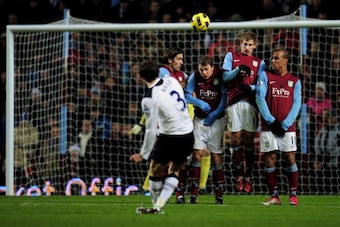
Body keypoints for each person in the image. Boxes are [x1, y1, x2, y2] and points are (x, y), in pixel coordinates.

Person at [132, 59, 193, 214]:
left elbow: (151, 130)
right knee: (175, 170)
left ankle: (155, 207)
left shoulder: (149, 98)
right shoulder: (172, 80)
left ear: (141, 77)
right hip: (187, 132)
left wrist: (143, 154)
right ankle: (158, 207)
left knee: (154, 170)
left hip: (170, 135)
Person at [255, 48, 302, 206]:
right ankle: (274, 196)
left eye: (276, 58)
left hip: (287, 128)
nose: (272, 61)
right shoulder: (265, 76)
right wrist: (271, 121)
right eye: (272, 58)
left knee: (290, 157)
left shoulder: (295, 81)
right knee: (270, 158)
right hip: (269, 127)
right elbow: (259, 97)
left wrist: (285, 124)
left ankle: (293, 195)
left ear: (285, 61)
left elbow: (297, 104)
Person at [222, 31, 266, 193]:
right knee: (235, 140)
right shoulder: (231, 57)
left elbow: (262, 86)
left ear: (255, 45)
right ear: (240, 43)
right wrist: (237, 71)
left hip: (251, 104)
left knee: (248, 141)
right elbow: (225, 77)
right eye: (244, 44)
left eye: (250, 45)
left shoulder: (259, 63)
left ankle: (248, 177)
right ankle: (238, 176)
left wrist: (250, 87)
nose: (247, 47)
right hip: (234, 102)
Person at [183, 56, 227, 204]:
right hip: (199, 121)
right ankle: (194, 194)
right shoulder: (194, 76)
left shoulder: (220, 76)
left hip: (217, 121)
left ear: (212, 68)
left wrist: (214, 114)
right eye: (201, 69)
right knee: (197, 155)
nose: (204, 72)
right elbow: (186, 95)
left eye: (206, 69)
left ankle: (219, 195)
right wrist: (199, 102)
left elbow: (224, 98)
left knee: (216, 157)